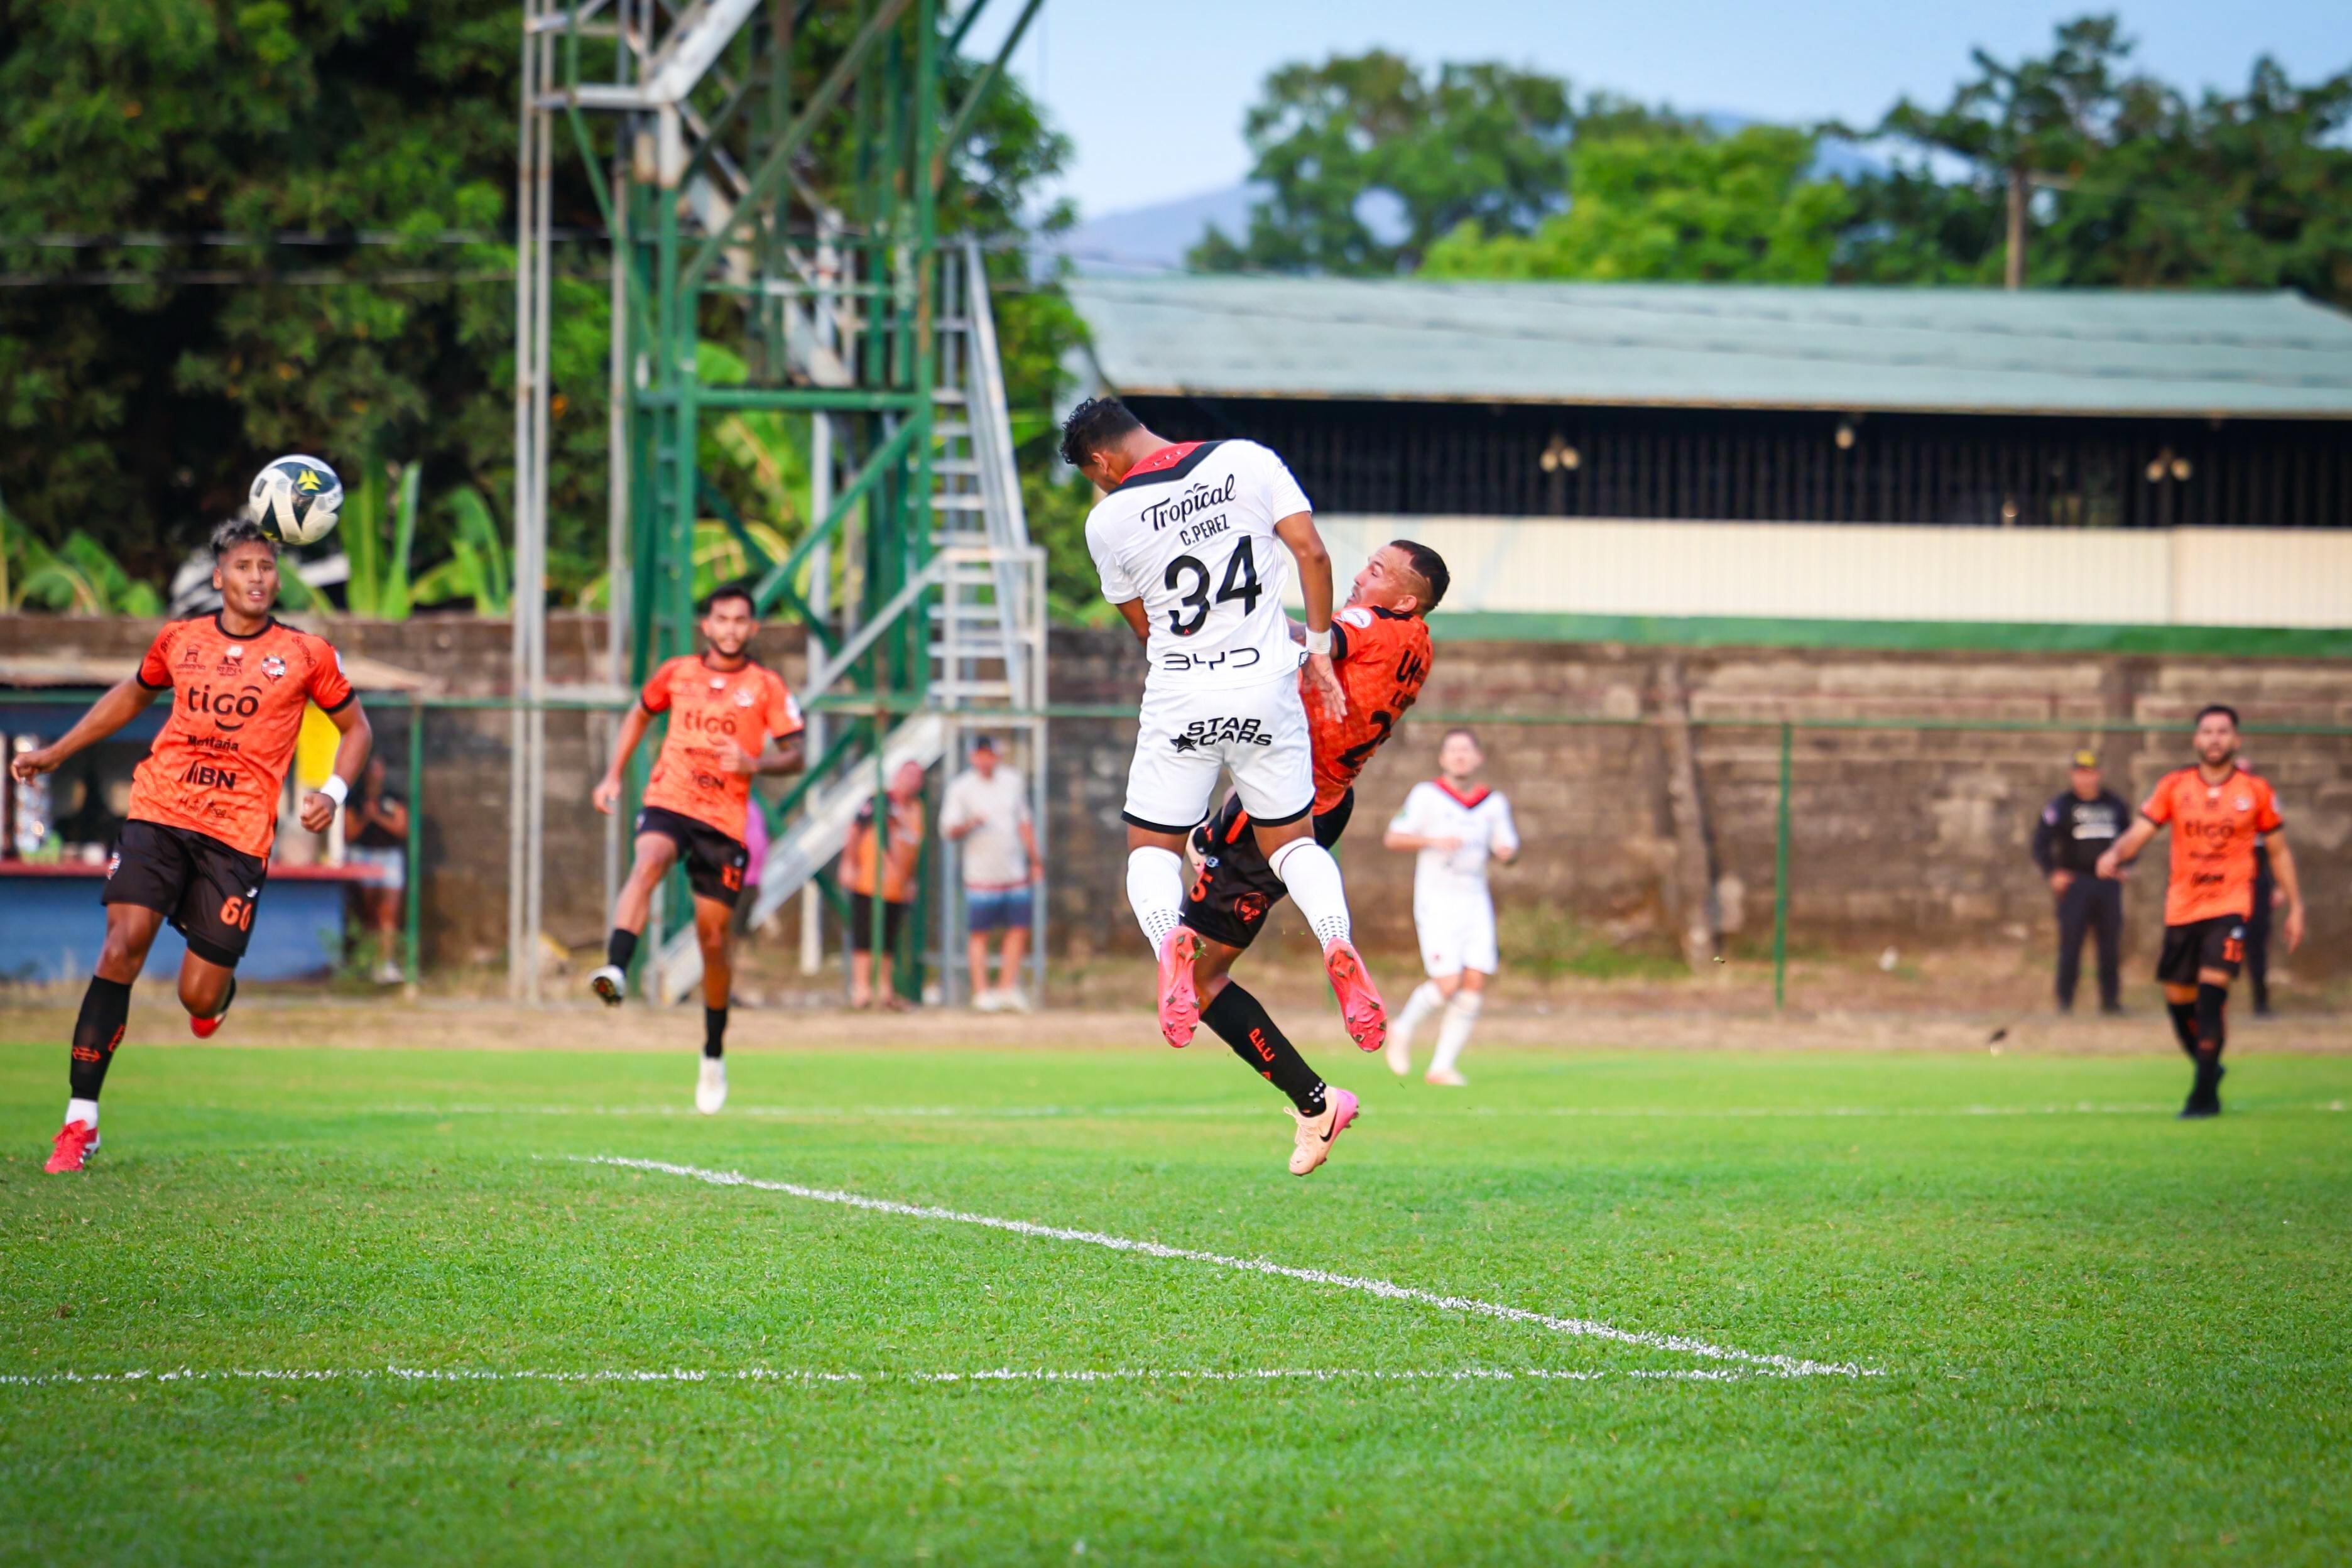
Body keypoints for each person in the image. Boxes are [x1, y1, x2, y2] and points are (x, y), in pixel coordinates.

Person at [13, 519, 372, 1173]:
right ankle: (80, 1123)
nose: (257, 578)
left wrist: (335, 791)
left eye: (267, 567)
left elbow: (357, 728)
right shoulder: (179, 640)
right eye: (244, 568)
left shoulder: (306, 653)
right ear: (219, 578)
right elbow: (132, 695)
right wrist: (58, 752)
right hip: (161, 809)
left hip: (236, 837)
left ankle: (217, 1001)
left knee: (197, 996)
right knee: (121, 945)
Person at [1060, 396, 1383, 1122]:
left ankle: (1168, 943)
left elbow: (1146, 626)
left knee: (1151, 849)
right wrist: (1323, 648)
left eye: (1094, 476)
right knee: (1292, 844)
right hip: (1267, 688)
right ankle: (1337, 943)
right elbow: (1314, 554)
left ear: (1102, 464)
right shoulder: (1247, 458)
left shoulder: (1107, 519)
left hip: (1181, 695)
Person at [1180, 540, 1446, 1173]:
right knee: (1208, 843)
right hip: (1326, 803)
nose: (1360, 576)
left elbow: (1312, 631)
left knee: (1199, 978)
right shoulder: (1420, 642)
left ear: (1405, 599)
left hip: (1277, 808)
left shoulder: (1367, 625)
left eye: (1377, 572)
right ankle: (1331, 937)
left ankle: (1317, 1102)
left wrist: (1222, 601)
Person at [589, 583, 805, 1114]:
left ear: (753, 630)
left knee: (713, 941)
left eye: (740, 621)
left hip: (724, 823)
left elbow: (796, 753)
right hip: (670, 798)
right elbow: (640, 713)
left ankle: (712, 1051)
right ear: (706, 626)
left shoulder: (767, 686)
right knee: (650, 859)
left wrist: (755, 764)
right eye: (721, 619)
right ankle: (616, 967)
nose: (730, 628)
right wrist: (614, 774)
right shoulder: (677, 673)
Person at [2097, 705, 2306, 1119]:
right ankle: (2210, 1067)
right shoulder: (2175, 786)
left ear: (2236, 740)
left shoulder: (2256, 791)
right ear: (2196, 739)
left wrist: (2295, 904)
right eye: (2207, 731)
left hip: (2230, 906)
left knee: (2212, 998)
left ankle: (2203, 1096)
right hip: (2182, 908)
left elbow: (2279, 851)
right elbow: (2141, 831)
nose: (2214, 739)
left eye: (2222, 731)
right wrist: (2115, 853)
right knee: (2178, 1000)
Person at [1381, 729, 1520, 1086]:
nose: (1460, 756)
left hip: (1475, 901)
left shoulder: (1493, 803)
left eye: (1466, 751)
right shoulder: (1427, 796)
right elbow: (1394, 837)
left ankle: (1441, 1066)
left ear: (1478, 758)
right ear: (1443, 759)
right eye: (1453, 751)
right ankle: (1402, 1028)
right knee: (1447, 983)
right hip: (1437, 901)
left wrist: (1505, 854)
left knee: (1474, 982)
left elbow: (1509, 849)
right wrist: (1432, 840)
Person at [940, 736, 1042, 1011]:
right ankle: (982, 992)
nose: (985, 760)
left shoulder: (1012, 781)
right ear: (973, 757)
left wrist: (1035, 860)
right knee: (980, 933)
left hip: (1013, 870)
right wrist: (970, 824)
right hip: (980, 874)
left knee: (1018, 929)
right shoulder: (961, 788)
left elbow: (1024, 822)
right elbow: (948, 829)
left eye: (990, 755)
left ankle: (1008, 987)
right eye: (980, 755)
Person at [2030, 749, 2130, 1015]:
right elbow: (2040, 843)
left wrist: (2125, 866)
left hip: (2108, 885)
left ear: (2098, 774)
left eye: (2090, 773)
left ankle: (2111, 1002)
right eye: (2079, 773)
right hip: (2076, 885)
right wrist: (2053, 873)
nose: (2085, 779)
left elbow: (2132, 840)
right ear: (2072, 776)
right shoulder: (2061, 806)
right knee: (2071, 945)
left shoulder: (2114, 805)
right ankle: (2065, 1002)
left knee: (2109, 946)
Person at [842, 760, 927, 1010]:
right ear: (898, 776)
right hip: (870, 880)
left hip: (897, 885)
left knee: (889, 940)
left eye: (917, 777)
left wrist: (911, 880)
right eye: (908, 775)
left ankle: (885, 990)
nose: (912, 781)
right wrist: (849, 863)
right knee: (865, 935)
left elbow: (914, 849)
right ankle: (862, 989)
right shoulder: (880, 801)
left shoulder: (917, 809)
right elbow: (855, 830)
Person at [346, 756, 410, 984]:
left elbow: (402, 828)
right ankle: (369, 962)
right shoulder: (355, 800)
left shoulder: (393, 798)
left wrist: (378, 817)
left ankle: (386, 963)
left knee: (388, 912)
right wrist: (366, 817)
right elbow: (349, 833)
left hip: (389, 858)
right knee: (369, 913)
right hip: (363, 856)